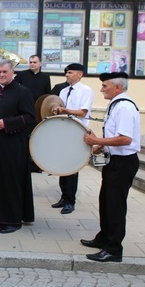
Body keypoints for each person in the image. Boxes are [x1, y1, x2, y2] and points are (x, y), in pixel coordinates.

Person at [82, 72, 140, 263]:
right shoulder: (117, 104)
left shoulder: (124, 107)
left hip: (123, 163)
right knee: (106, 201)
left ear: (118, 87)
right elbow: (117, 134)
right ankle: (104, 238)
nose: (101, 89)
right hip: (114, 161)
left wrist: (97, 140)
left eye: (105, 86)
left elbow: (125, 138)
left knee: (115, 206)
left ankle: (114, 249)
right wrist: (102, 145)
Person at [0, 60, 35, 234]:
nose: (1, 75)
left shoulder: (22, 92)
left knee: (10, 182)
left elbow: (30, 117)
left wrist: (7, 123)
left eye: (4, 72)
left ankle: (13, 220)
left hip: (13, 146)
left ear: (12, 73)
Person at [51, 63, 93, 214]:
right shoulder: (63, 91)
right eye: (66, 73)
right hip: (63, 131)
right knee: (63, 166)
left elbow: (82, 112)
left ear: (79, 74)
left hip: (76, 131)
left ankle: (70, 201)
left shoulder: (86, 91)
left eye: (70, 72)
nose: (67, 75)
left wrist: (64, 109)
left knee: (72, 167)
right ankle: (63, 196)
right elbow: (60, 110)